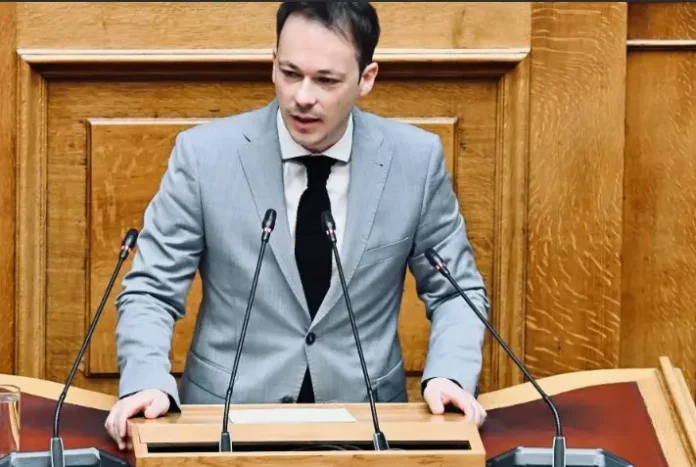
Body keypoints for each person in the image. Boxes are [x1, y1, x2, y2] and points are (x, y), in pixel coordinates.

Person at [105, 1, 490, 450]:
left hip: (368, 429)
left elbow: (456, 291)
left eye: (326, 80)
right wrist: (147, 381)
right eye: (290, 74)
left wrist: (449, 375)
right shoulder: (204, 157)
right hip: (226, 426)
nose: (302, 97)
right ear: (273, 64)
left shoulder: (415, 162)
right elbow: (152, 289)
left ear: (366, 78)